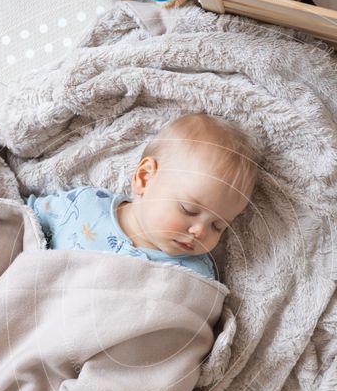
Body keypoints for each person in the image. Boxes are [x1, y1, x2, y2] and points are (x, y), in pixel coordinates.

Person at [24, 112, 260, 281]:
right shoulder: (85, 205)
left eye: (218, 226)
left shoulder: (194, 275)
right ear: (145, 178)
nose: (200, 231)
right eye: (188, 209)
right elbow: (25, 222)